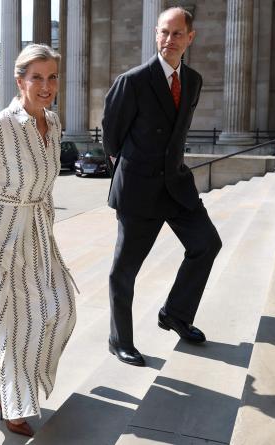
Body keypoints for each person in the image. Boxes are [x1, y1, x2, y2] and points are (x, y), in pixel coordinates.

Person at [0, 44, 76, 438]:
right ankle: (12, 403)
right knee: (9, 324)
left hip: (39, 231)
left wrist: (48, 229)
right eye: (37, 77)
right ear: (20, 80)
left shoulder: (54, 123)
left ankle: (10, 386)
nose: (46, 86)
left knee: (61, 308)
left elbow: (46, 184)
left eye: (52, 77)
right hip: (1, 235)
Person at [102, 7, 222, 367]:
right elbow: (112, 137)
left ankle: (175, 313)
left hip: (175, 184)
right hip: (139, 190)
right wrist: (131, 172)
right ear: (157, 35)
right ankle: (119, 339)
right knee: (124, 270)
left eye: (176, 34)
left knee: (206, 244)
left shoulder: (194, 81)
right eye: (164, 33)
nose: (169, 40)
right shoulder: (133, 81)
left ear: (190, 37)